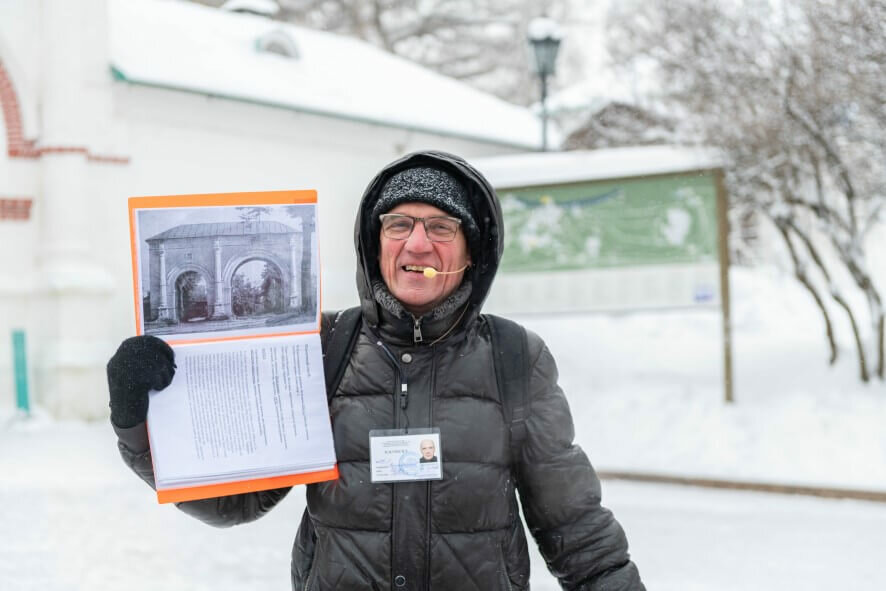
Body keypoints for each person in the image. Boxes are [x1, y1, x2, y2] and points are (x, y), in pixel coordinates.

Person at [107, 150, 644, 590]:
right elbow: (231, 500)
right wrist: (138, 420)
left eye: (440, 226)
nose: (417, 243)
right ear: (374, 242)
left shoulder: (514, 356)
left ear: (472, 250)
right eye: (398, 224)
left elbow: (575, 527)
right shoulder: (323, 348)